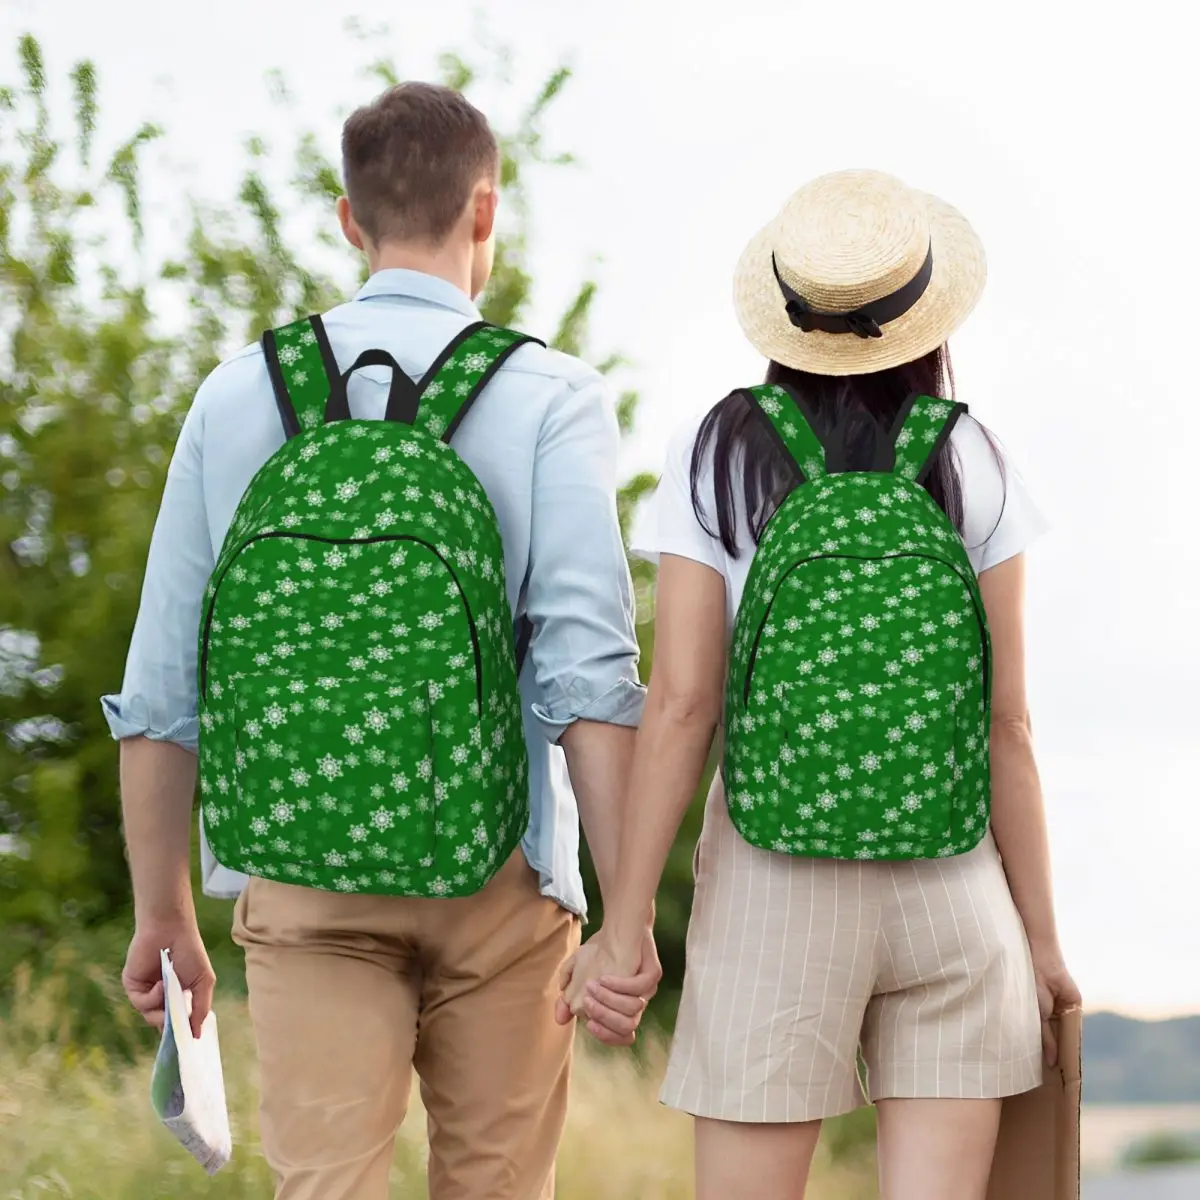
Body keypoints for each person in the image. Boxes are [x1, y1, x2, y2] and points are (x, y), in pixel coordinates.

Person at [104, 81, 661, 1200]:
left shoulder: (235, 396)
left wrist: (163, 911)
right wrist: (627, 915)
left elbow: (164, 684)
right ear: (485, 213)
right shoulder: (550, 395)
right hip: (503, 874)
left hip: (304, 875)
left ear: (349, 220)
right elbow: (587, 679)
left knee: (325, 1186)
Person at [561, 169, 1081, 1200]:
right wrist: (1043, 943)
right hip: (955, 889)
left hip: (773, 884)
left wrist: (623, 926)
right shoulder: (973, 456)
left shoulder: (719, 451)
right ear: (924, 316)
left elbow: (682, 705)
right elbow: (1009, 724)